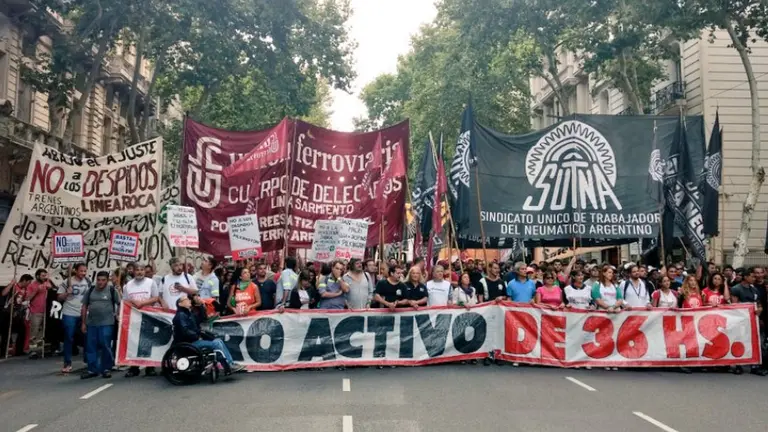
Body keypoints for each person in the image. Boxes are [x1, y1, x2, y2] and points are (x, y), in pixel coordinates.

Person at [173, 296, 244, 374]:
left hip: (193, 340)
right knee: (216, 343)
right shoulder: (181, 315)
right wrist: (197, 336)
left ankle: (229, 365)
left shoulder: (189, 313)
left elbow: (202, 318)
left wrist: (201, 306)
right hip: (188, 343)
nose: (189, 300)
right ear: (180, 304)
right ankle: (229, 365)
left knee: (218, 340)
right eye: (186, 299)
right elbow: (185, 331)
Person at [123, 263, 163, 377]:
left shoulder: (151, 282)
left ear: (145, 272)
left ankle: (150, 368)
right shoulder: (128, 285)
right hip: (134, 317)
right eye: (137, 270)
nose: (139, 272)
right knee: (133, 342)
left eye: (142, 270)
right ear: (133, 272)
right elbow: (125, 300)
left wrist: (142, 303)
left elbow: (155, 298)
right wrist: (133, 303)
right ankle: (134, 367)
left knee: (149, 341)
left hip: (149, 316)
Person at [80, 271, 120, 379]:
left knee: (105, 345)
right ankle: (92, 369)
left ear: (107, 281)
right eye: (98, 280)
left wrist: (118, 315)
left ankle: (106, 368)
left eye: (103, 280)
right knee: (90, 346)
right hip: (91, 323)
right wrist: (83, 322)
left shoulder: (112, 291)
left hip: (107, 323)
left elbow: (120, 303)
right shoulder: (91, 290)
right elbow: (84, 306)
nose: (100, 282)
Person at [57, 263, 91, 374]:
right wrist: (67, 293)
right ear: (76, 270)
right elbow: (59, 297)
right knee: (69, 337)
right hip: (69, 312)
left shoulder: (88, 281)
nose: (83, 273)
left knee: (87, 336)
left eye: (85, 271)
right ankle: (67, 363)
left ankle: (88, 359)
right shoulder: (67, 281)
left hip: (83, 313)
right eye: (81, 271)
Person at [1, 275, 33, 357]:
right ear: (24, 280)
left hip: (17, 314)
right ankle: (2, 352)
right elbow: (3, 293)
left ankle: (19, 351)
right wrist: (11, 284)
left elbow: (24, 300)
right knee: (6, 333)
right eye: (29, 282)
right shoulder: (15, 287)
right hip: (7, 312)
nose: (29, 284)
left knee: (22, 330)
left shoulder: (25, 290)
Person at [25, 269, 51, 355]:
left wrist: (50, 286)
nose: (44, 277)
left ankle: (40, 350)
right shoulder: (31, 285)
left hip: (46, 311)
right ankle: (32, 351)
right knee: (34, 331)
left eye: (45, 276)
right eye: (43, 276)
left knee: (43, 332)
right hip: (36, 311)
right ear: (37, 276)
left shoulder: (47, 283)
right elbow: (28, 298)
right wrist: (36, 290)